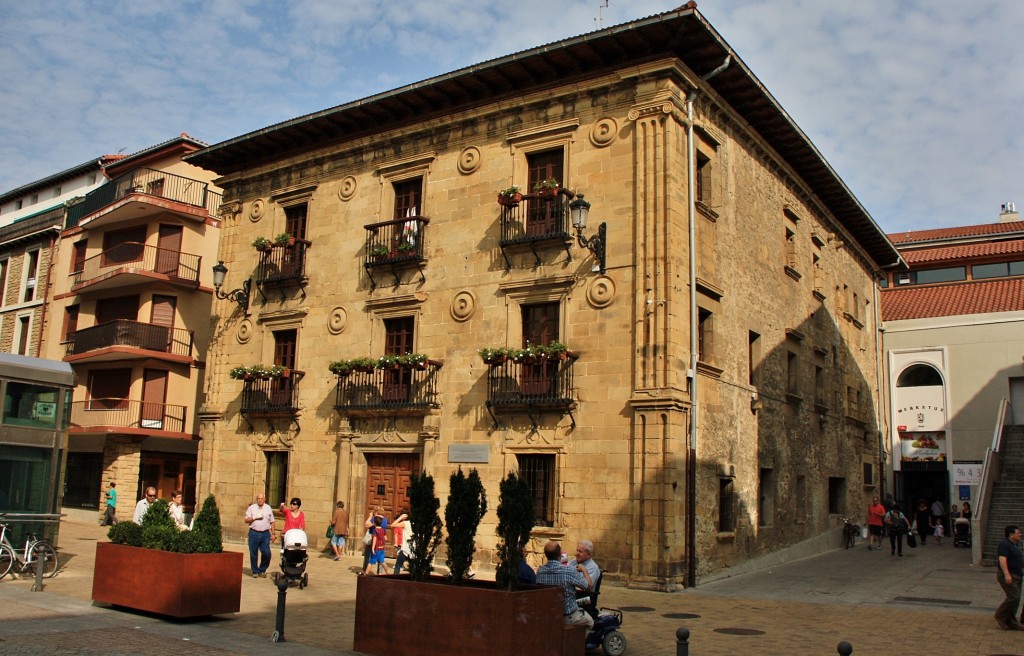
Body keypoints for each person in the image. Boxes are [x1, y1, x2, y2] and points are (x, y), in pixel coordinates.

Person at [536, 540, 593, 629]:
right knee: (590, 622)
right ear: (560, 554)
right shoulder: (568, 571)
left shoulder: (540, 571)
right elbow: (588, 586)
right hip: (568, 615)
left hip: (549, 614)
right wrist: (584, 570)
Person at [994, 525, 1023, 630]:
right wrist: (1007, 574)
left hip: (1018, 575)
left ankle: (1011, 621)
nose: (1020, 534)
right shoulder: (1005, 545)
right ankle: (1000, 615)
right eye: (1018, 533)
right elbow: (1002, 559)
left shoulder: (1014, 545)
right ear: (1011, 534)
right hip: (1010, 575)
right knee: (1014, 597)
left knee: (1016, 599)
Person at [245, 493, 276, 578]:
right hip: (254, 533)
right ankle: (255, 571)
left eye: (261, 498)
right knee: (253, 553)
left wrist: (273, 534)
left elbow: (272, 522)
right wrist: (254, 517)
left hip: (265, 534)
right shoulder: (252, 508)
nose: (260, 500)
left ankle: (262, 570)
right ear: (256, 499)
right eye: (258, 498)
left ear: (264, 499)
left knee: (267, 553)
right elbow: (246, 520)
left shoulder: (268, 508)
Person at [360, 507, 388, 574]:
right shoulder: (385, 520)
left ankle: (365, 571)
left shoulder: (375, 519)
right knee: (381, 558)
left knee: (368, 555)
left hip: (373, 538)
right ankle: (380, 572)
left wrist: (370, 517)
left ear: (376, 512)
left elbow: (366, 524)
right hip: (381, 541)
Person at [393, 510, 412, 575]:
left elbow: (393, 525)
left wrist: (400, 518)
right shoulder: (415, 524)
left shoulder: (405, 523)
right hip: (413, 549)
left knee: (398, 566)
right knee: (413, 567)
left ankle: (395, 579)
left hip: (405, 549)